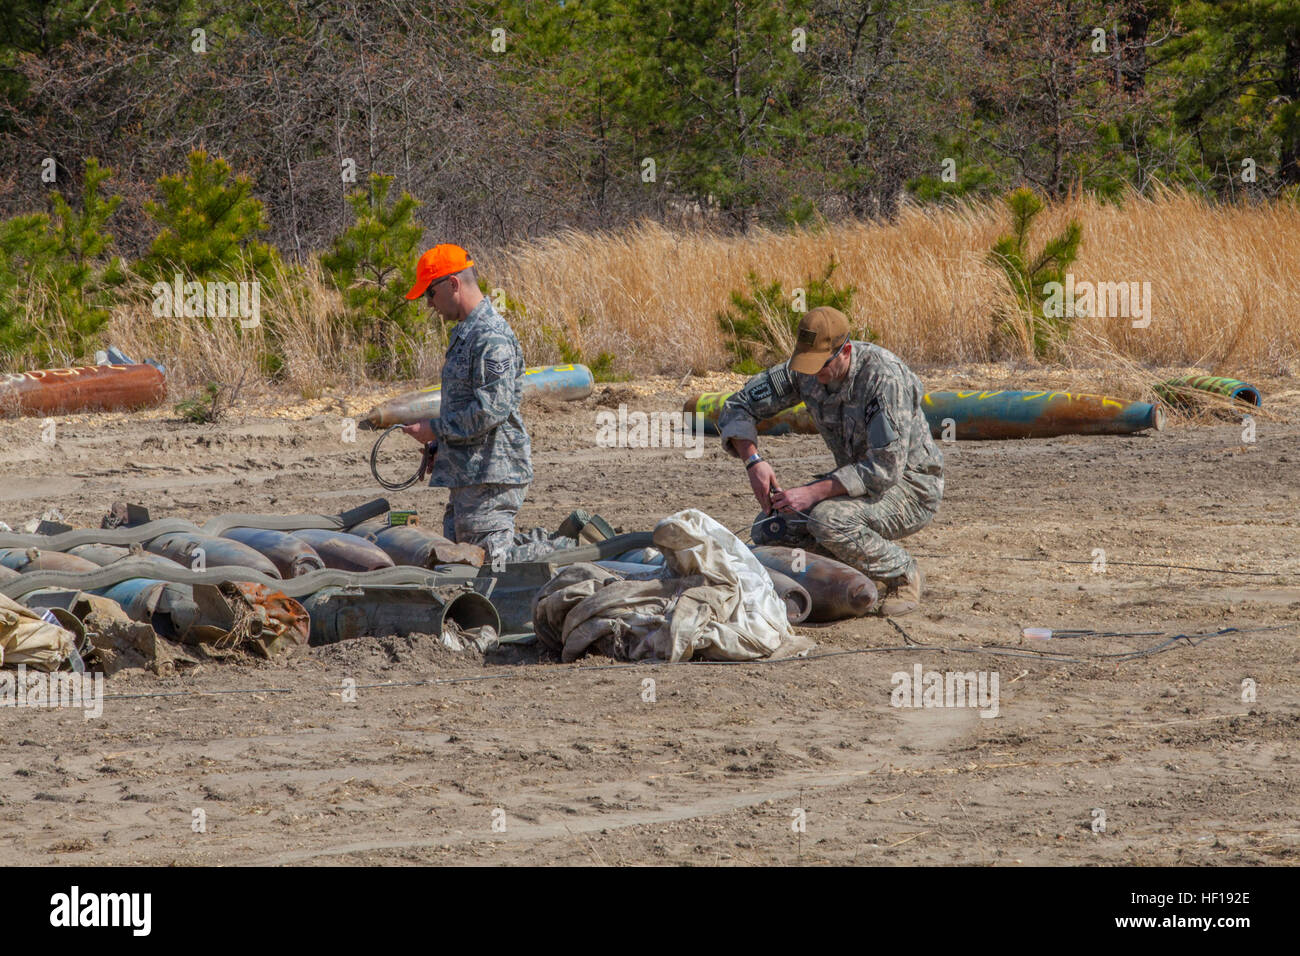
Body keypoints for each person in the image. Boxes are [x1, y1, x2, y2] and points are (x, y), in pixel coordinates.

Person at [717, 306, 943, 615]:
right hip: (854, 483)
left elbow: (885, 468)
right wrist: (753, 461)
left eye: (820, 365)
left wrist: (812, 492)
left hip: (909, 486)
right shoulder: (805, 369)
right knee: (772, 528)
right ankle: (848, 570)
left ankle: (903, 573)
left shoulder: (883, 379)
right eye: (806, 364)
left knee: (828, 520)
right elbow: (738, 405)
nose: (812, 374)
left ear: (846, 350)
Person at [400, 244, 532, 564]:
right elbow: (468, 406)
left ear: (453, 285)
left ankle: (558, 555)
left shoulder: (490, 336)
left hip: (488, 477)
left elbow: (491, 410)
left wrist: (435, 429)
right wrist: (441, 446)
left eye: (430, 293)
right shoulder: (466, 334)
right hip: (470, 477)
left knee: (487, 569)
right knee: (461, 567)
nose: (429, 303)